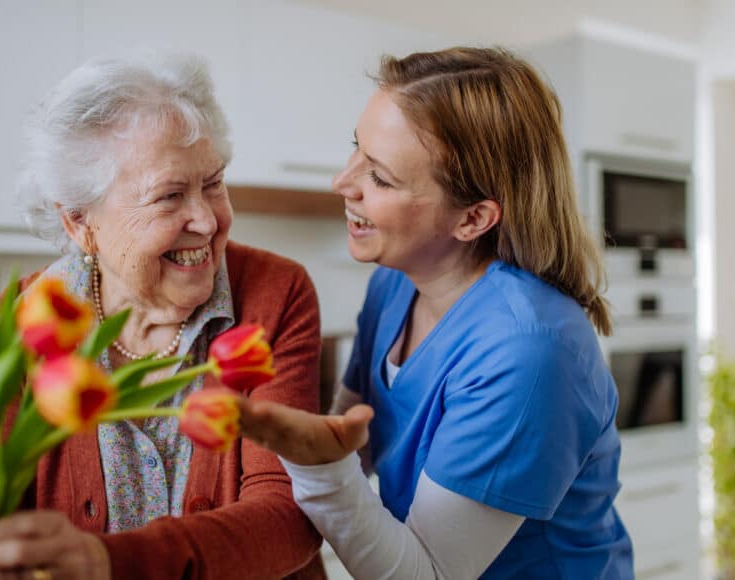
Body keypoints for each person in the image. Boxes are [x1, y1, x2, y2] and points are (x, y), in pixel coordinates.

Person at [0, 52, 325, 579]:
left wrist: (108, 561)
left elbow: (290, 512)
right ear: (79, 224)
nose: (206, 220)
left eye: (213, 183)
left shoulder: (277, 294)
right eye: (169, 197)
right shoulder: (18, 324)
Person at [239, 47, 634, 579]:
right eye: (356, 149)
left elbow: (428, 574)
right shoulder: (394, 283)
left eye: (379, 177)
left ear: (473, 218)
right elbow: (351, 442)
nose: (342, 182)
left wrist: (320, 467)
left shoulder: (527, 351)